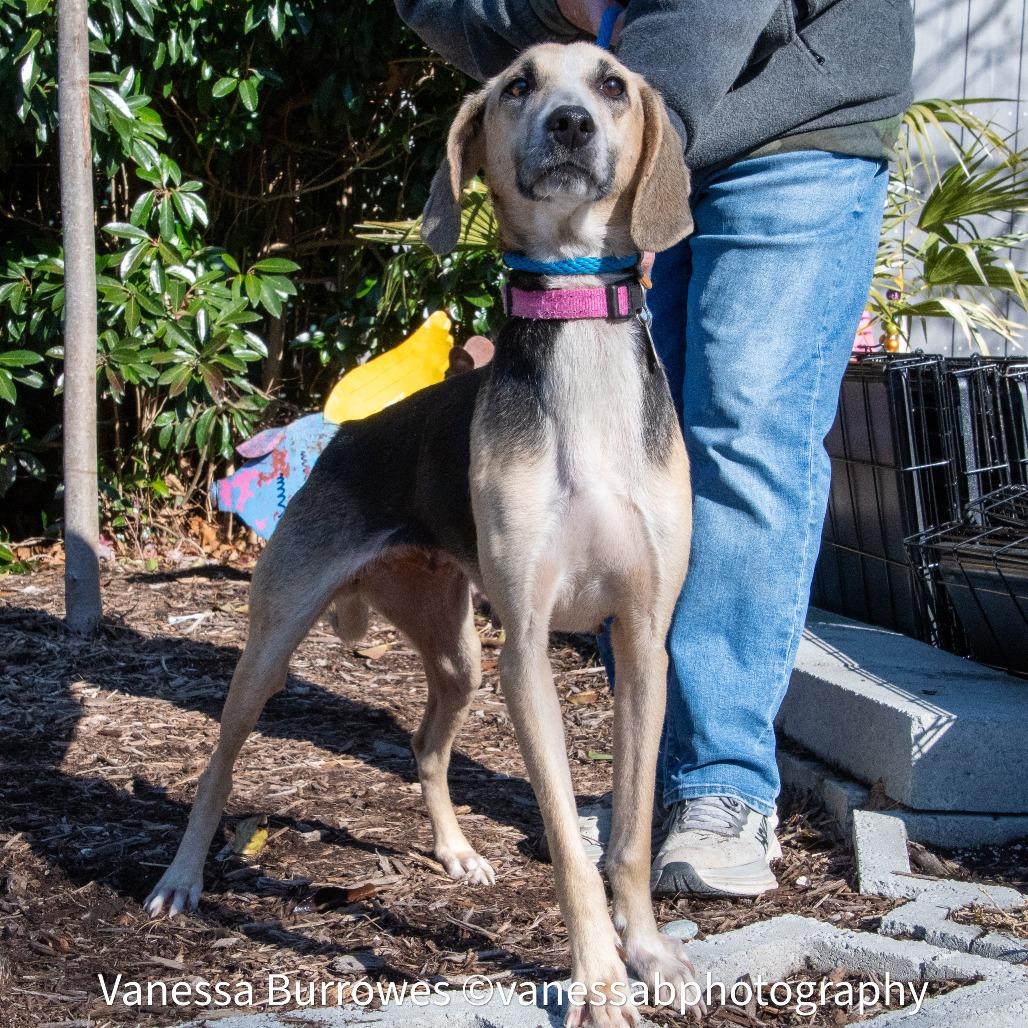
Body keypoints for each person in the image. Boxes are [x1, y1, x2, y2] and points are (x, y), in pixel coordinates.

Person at [395, 0, 915, 896]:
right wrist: (563, 31)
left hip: (795, 109)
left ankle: (719, 786)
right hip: (650, 113)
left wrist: (625, 128)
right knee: (628, 471)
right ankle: (651, 793)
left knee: (742, 431)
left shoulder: (645, 110)